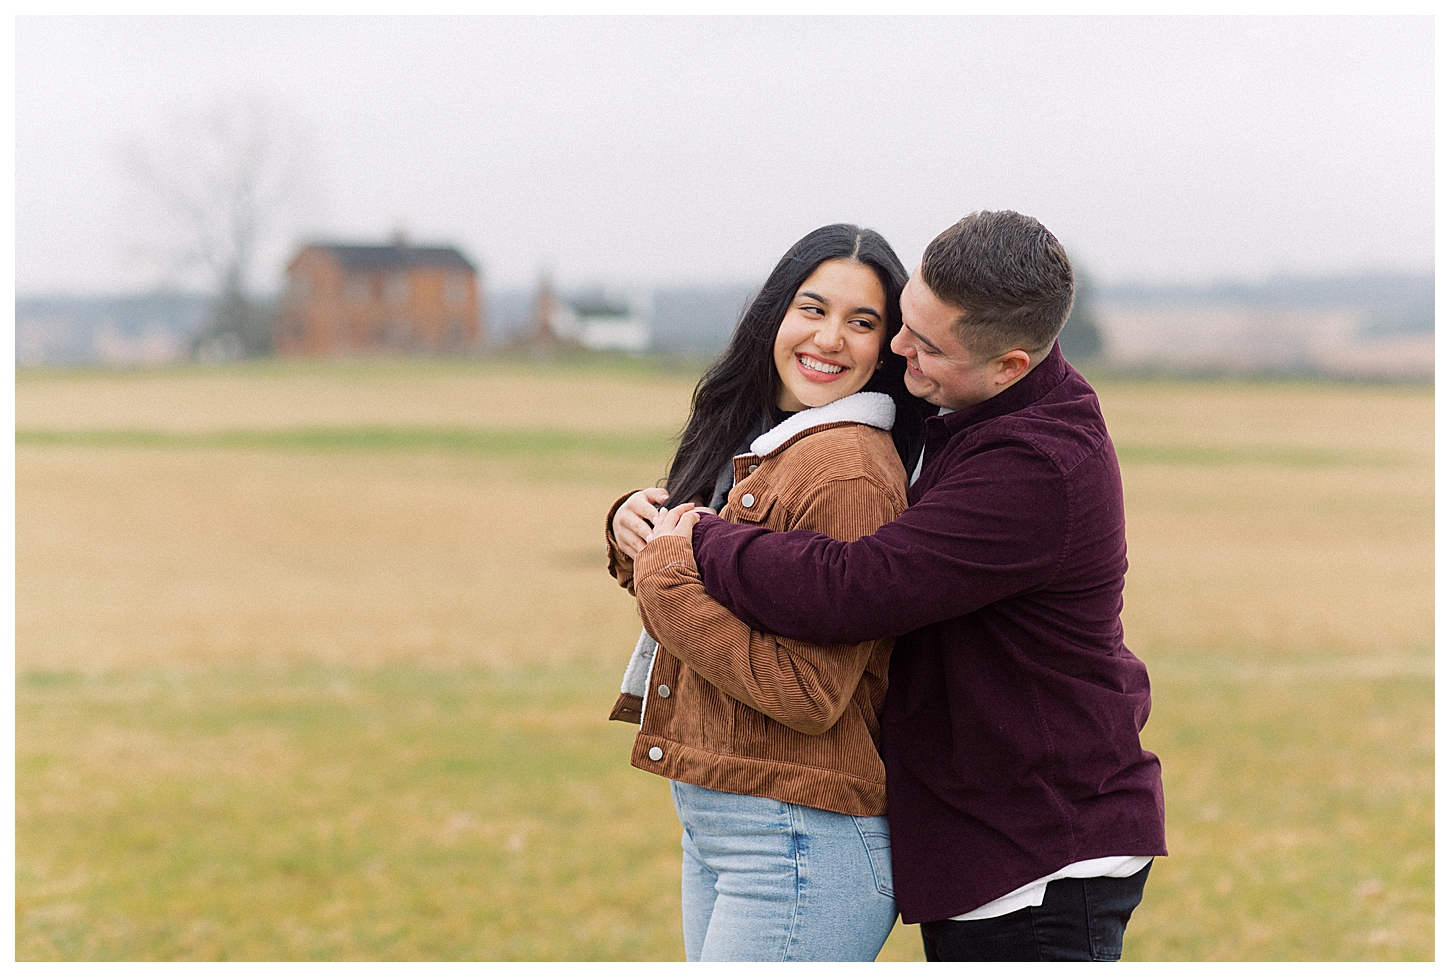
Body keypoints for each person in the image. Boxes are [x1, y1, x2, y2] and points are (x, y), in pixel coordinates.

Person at [648, 211, 1168, 962]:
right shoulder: (956, 398)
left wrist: (698, 538)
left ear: (1010, 365)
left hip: (1041, 855)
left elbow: (852, 588)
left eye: (923, 344)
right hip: (981, 835)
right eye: (903, 320)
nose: (896, 351)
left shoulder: (1036, 468)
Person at [604, 224, 933, 962]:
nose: (830, 337)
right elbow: (721, 584)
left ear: (887, 348)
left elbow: (811, 690)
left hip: (797, 837)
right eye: (812, 308)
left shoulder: (846, 468)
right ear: (774, 314)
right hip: (736, 823)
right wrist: (637, 529)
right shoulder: (771, 442)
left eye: (863, 321)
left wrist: (662, 570)